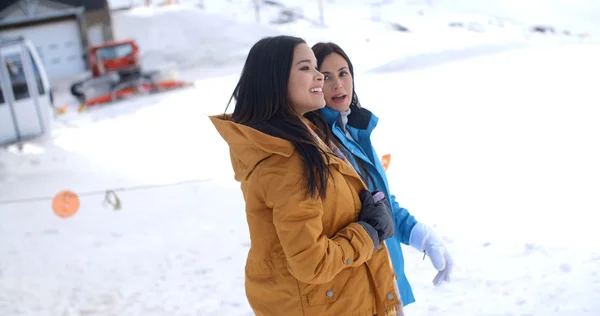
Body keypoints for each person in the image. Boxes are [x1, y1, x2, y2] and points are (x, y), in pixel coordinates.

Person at [209, 35, 404, 316]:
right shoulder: (286, 161)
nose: (319, 77)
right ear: (274, 80)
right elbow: (312, 262)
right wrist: (368, 232)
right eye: (306, 68)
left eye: (316, 68)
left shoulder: (305, 139)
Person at [308, 42, 454, 306]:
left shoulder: (355, 134)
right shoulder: (317, 145)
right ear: (314, 83)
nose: (338, 85)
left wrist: (422, 236)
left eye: (343, 73)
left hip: (386, 282)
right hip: (355, 291)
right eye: (326, 76)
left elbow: (380, 204)